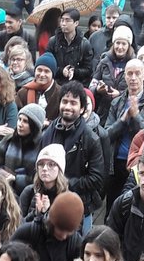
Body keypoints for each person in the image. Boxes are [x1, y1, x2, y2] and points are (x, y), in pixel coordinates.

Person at [39, 81, 105, 231]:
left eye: (73, 103)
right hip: (48, 201)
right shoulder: (47, 134)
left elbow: (97, 179)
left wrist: (63, 183)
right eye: (65, 101)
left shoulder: (91, 139)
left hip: (79, 205)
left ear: (82, 108)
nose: (68, 106)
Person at [104, 56, 144, 205]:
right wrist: (123, 120)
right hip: (117, 161)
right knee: (113, 206)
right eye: (129, 74)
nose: (133, 78)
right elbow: (106, 135)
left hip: (140, 162)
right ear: (124, 76)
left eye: (137, 73)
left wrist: (136, 116)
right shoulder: (117, 102)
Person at [13, 191, 84, 261]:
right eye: (61, 229)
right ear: (52, 222)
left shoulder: (75, 242)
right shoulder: (29, 232)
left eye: (69, 231)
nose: (64, 236)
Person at [0, 101, 44, 194]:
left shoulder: (42, 145)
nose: (20, 124)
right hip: (4, 190)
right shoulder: (8, 139)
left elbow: (41, 177)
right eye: (19, 119)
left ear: (34, 125)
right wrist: (5, 175)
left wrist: (16, 178)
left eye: (25, 121)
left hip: (30, 194)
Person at [18, 143, 69, 220]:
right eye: (41, 164)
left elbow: (72, 231)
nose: (44, 168)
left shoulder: (68, 199)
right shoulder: (29, 192)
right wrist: (36, 213)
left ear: (59, 169)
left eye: (51, 164)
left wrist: (47, 213)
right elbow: (18, 226)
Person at [47, 10, 94, 86]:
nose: (63, 23)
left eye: (67, 20)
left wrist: (75, 71)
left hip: (77, 85)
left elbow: (88, 70)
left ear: (76, 23)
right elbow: (47, 64)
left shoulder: (84, 44)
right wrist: (61, 71)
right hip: (56, 84)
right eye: (62, 20)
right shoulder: (53, 41)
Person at [16, 52, 61, 120]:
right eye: (39, 70)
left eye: (46, 71)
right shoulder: (23, 93)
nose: (42, 74)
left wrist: (49, 124)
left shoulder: (61, 94)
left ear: (53, 74)